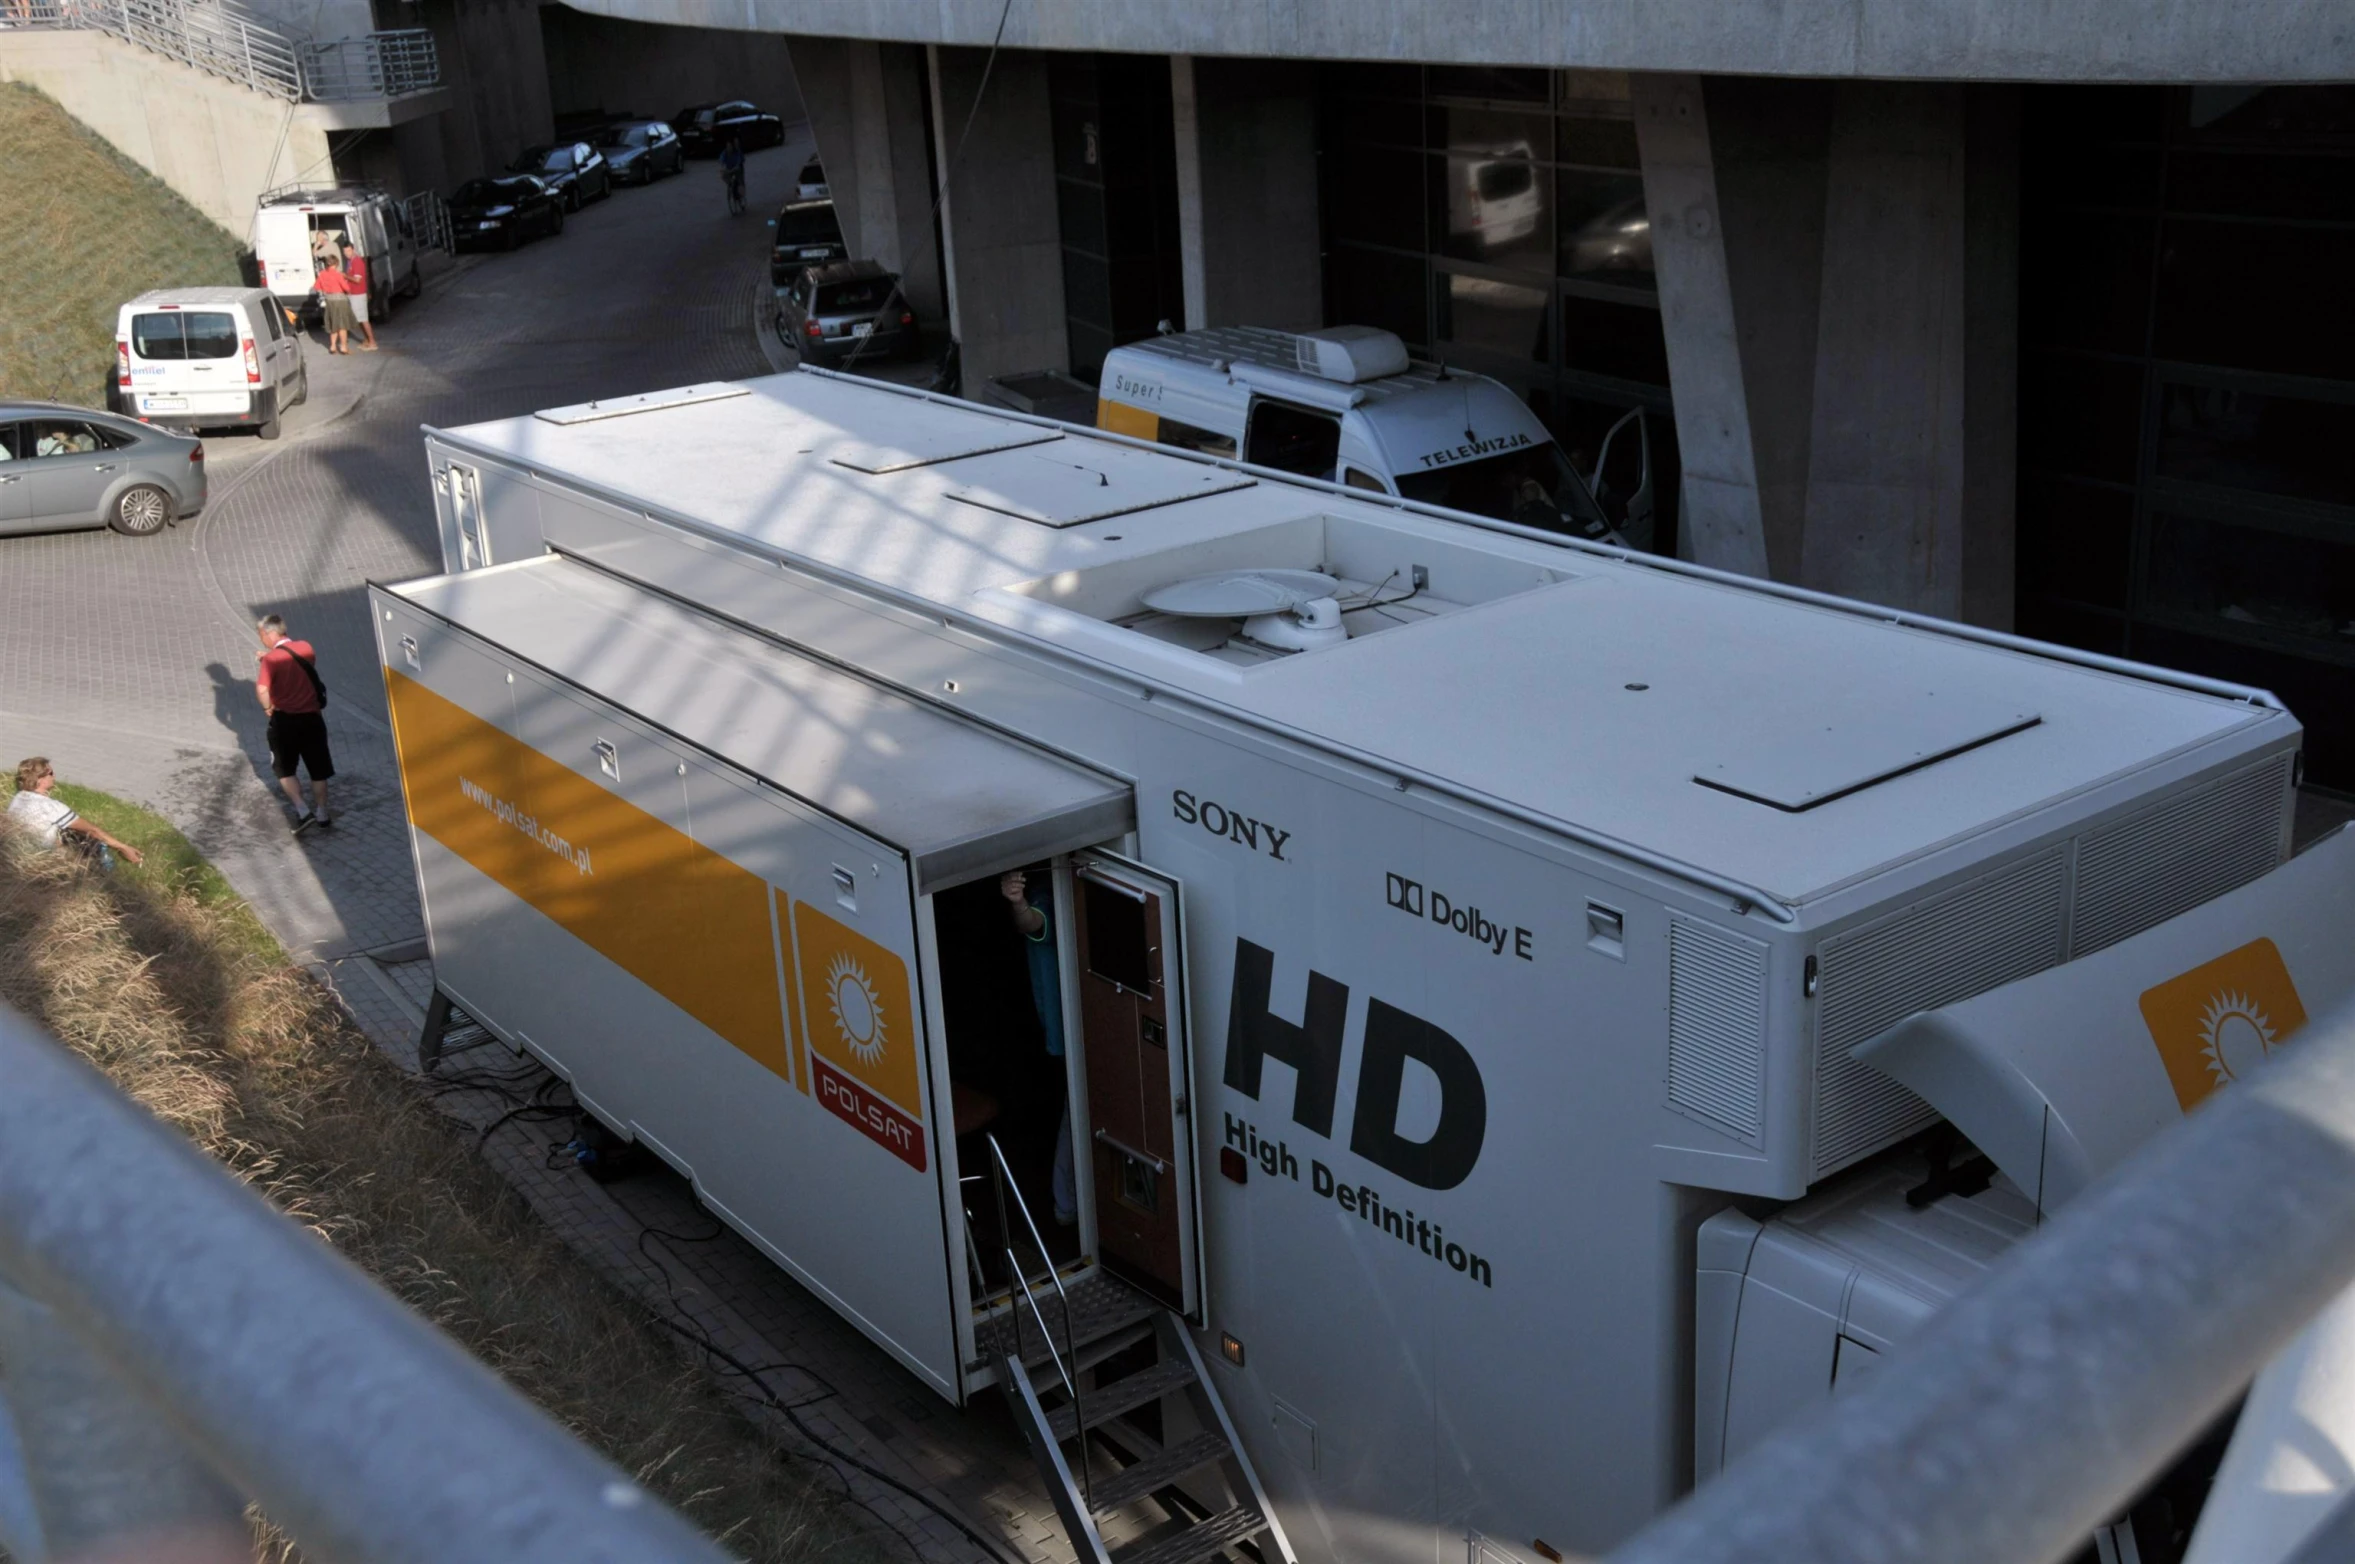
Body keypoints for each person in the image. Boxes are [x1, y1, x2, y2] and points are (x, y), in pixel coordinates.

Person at [1001, 868, 1076, 1225]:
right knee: (1076, 1114)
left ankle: (1067, 1206)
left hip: (1079, 1026)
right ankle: (1066, 1207)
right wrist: (1018, 903)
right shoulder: (1052, 890)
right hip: (1073, 1031)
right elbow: (1033, 923)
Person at [254, 615, 335, 833]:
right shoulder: (305, 648)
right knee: (318, 770)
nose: (261, 639)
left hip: (285, 722)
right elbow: (294, 666)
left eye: (260, 635)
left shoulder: (271, 661)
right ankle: (322, 813)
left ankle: (302, 810)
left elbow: (262, 690)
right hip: (313, 720)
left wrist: (267, 707)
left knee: (284, 768)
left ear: (269, 634)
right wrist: (268, 659)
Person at [7, 758, 143, 870]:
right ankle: (104, 878)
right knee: (96, 845)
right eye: (51, 773)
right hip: (41, 859)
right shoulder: (51, 807)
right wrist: (123, 847)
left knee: (66, 834)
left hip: (19, 854)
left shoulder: (18, 799)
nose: (54, 776)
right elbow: (93, 830)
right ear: (40, 779)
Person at [342, 244, 378, 352]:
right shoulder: (350, 261)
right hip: (353, 293)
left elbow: (358, 280)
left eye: (348, 251)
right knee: (360, 319)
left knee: (363, 319)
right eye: (345, 252)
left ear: (353, 250)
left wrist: (345, 276)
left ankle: (372, 342)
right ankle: (367, 340)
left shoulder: (357, 262)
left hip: (358, 294)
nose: (347, 253)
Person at [314, 260, 355, 355]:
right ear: (335, 264)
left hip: (329, 300)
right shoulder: (337, 274)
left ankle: (332, 346)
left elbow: (317, 287)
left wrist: (326, 290)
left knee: (333, 324)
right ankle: (344, 347)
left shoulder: (322, 274)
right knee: (342, 325)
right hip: (340, 300)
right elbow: (346, 288)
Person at [719, 135, 746, 214]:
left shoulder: (737, 153)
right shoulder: (724, 153)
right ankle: (730, 185)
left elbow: (739, 162)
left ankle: (742, 199)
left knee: (740, 182)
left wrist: (736, 167)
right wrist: (723, 168)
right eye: (727, 147)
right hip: (729, 170)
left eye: (730, 146)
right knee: (723, 175)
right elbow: (721, 161)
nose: (729, 148)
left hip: (737, 169)